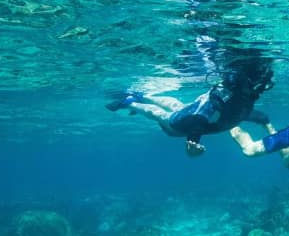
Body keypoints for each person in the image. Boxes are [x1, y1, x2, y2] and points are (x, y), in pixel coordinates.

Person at [107, 48, 276, 157]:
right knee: (160, 114)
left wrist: (263, 120)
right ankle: (130, 102)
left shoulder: (239, 93)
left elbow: (240, 113)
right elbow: (200, 119)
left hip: (196, 116)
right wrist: (194, 140)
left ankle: (140, 96)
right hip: (183, 124)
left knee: (175, 107)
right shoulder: (224, 98)